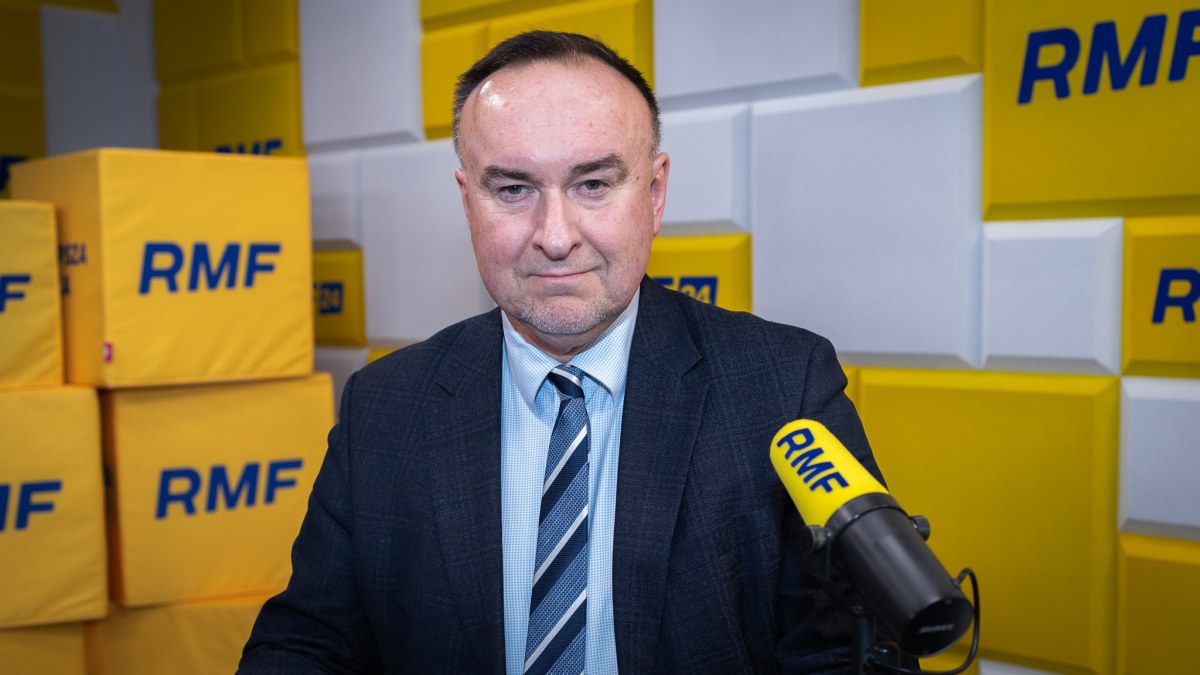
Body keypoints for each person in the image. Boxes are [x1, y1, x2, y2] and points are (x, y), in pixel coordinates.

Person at [240, 30, 886, 674]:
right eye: (513, 190)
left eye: (593, 184)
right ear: (467, 201)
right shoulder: (384, 405)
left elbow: (841, 652)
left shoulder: (783, 385)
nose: (555, 237)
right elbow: (308, 644)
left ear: (654, 193)